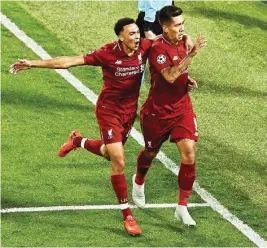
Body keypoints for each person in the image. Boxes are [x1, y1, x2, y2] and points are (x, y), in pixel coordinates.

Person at [10, 18, 153, 236]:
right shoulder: (107, 53)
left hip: (128, 113)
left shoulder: (144, 46)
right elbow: (68, 61)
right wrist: (33, 63)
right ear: (120, 36)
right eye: (131, 34)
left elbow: (167, 47)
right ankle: (128, 215)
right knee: (119, 159)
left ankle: (77, 141)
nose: (136, 37)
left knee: (108, 153)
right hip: (109, 111)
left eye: (137, 33)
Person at [131, 5, 206, 226]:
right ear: (164, 27)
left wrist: (188, 80)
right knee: (150, 152)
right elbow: (171, 76)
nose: (182, 29)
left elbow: (181, 74)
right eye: (177, 25)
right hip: (157, 112)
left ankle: (182, 207)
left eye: (183, 24)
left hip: (182, 108)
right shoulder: (156, 48)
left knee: (189, 152)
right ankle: (139, 180)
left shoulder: (184, 41)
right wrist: (191, 57)